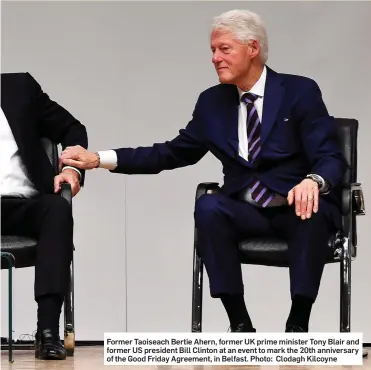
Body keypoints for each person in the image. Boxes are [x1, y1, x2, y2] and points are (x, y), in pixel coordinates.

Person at [60, 9, 345, 333]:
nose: (215, 58)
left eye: (224, 49)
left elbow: (331, 156)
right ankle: (239, 323)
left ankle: (298, 323)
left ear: (252, 48)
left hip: (296, 207)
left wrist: (313, 180)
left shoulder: (299, 92)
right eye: (213, 50)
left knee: (310, 209)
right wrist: (99, 158)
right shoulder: (212, 103)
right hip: (247, 210)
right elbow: (169, 153)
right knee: (209, 205)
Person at [1, 72, 87, 359]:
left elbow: (73, 129)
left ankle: (48, 331)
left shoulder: (18, 88)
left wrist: (70, 170)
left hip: (26, 203)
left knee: (57, 209)